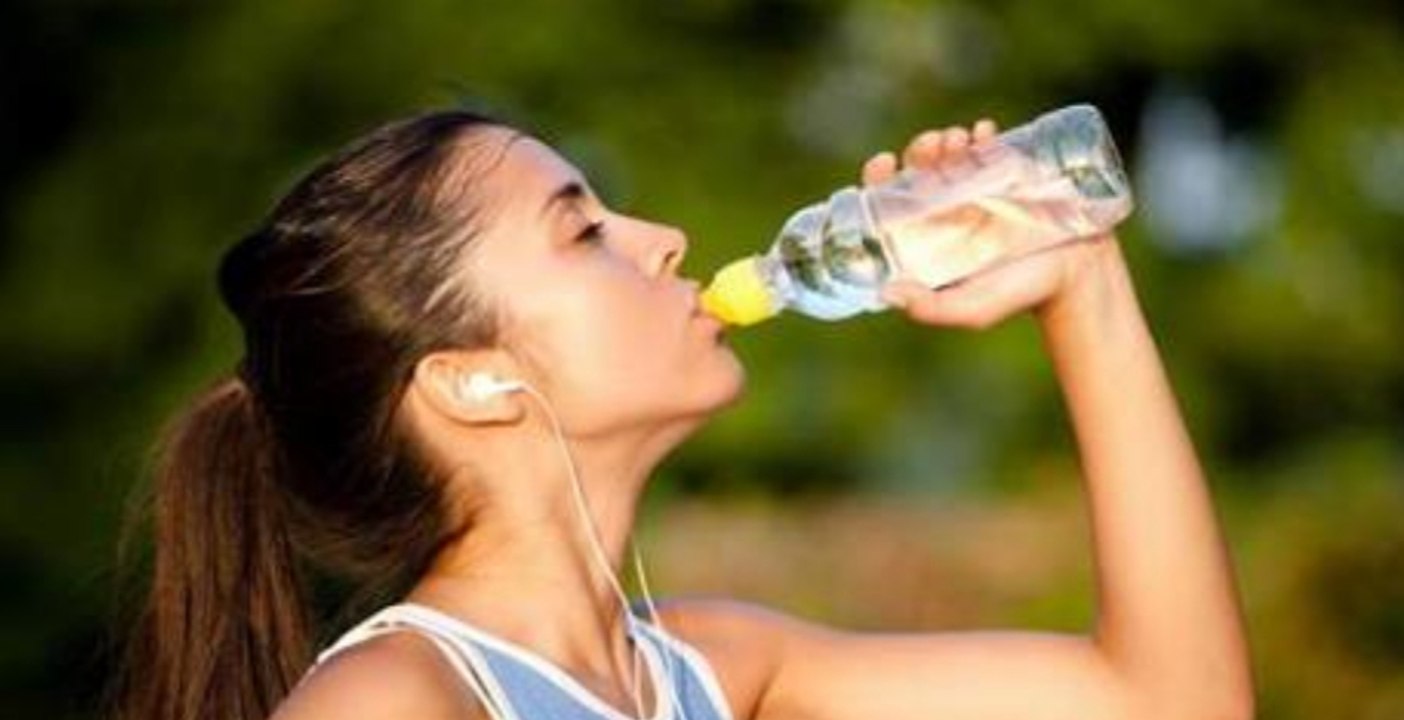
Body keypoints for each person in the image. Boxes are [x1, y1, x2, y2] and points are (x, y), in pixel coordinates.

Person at [110, 108, 1255, 720]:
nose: (663, 240)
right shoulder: (396, 702)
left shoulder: (713, 667)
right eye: (583, 231)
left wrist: (1082, 288)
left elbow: (1176, 703)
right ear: (470, 380)